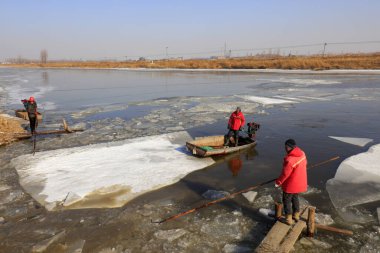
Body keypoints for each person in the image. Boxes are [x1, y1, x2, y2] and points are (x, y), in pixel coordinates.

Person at [275, 139, 307, 225]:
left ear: (288, 147)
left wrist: (278, 182)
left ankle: (288, 218)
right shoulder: (302, 153)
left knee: (286, 200)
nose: (285, 148)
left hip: (291, 184)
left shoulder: (290, 160)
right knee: (295, 198)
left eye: (285, 147)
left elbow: (285, 174)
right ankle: (296, 215)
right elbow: (305, 163)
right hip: (299, 182)